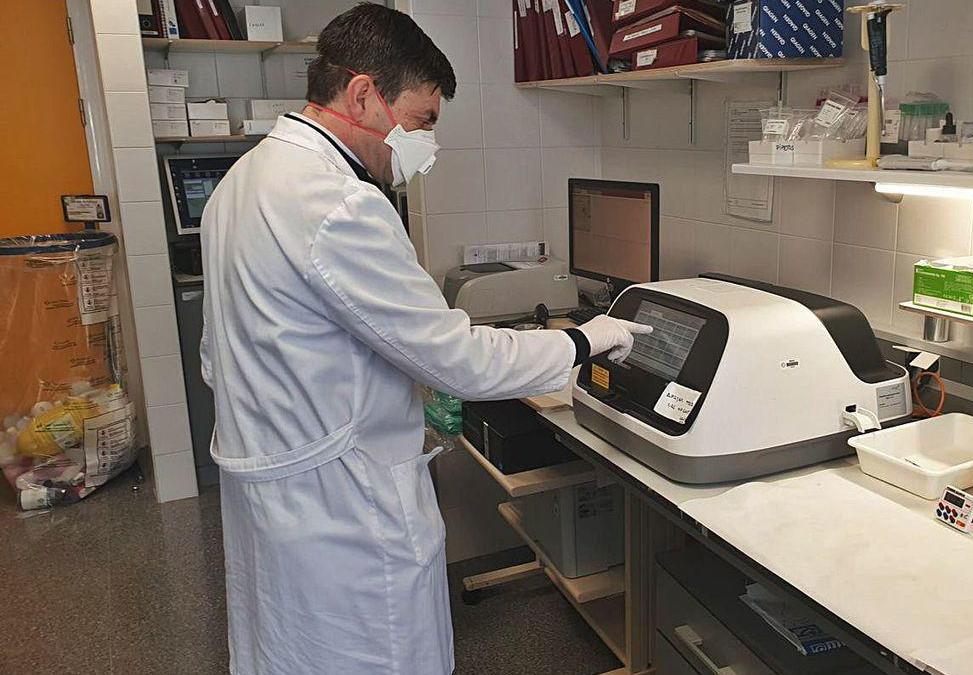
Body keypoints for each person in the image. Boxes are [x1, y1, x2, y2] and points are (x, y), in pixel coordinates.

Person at [199, 5, 650, 674]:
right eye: (422, 121)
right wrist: (582, 342)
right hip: (343, 511)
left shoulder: (243, 182)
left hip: (273, 489)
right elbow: (458, 358)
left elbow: (218, 359)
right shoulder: (340, 203)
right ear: (361, 95)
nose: (424, 146)